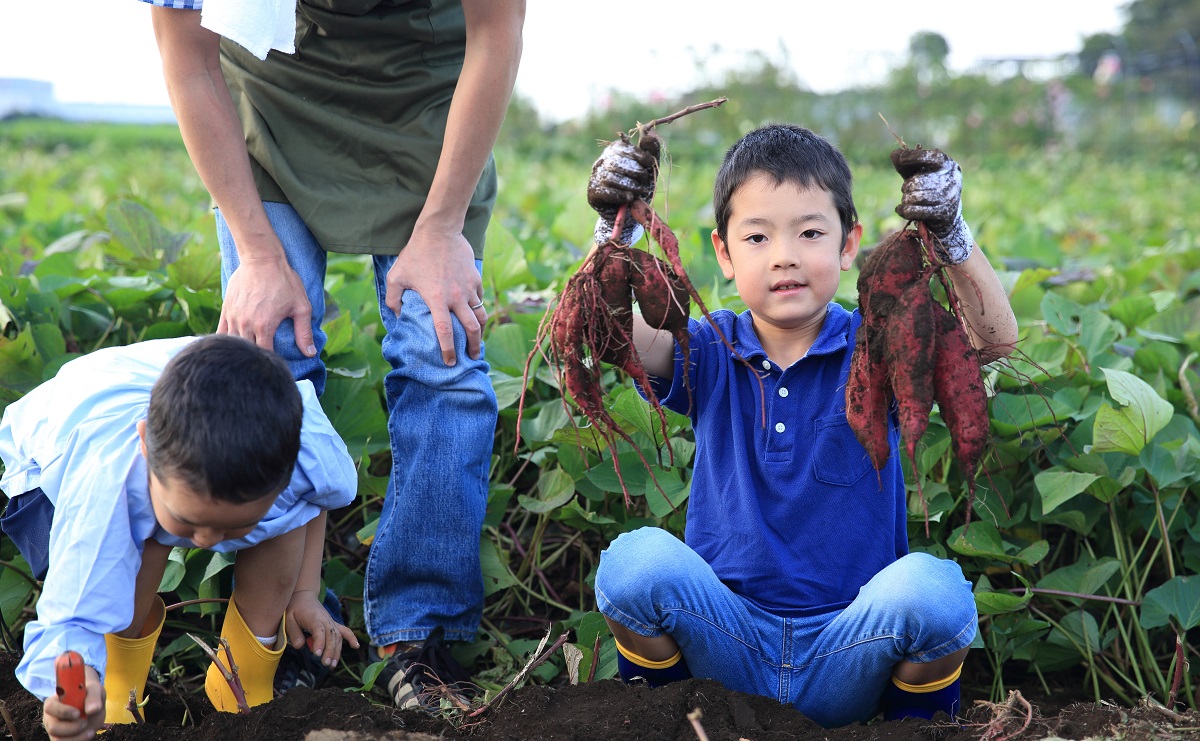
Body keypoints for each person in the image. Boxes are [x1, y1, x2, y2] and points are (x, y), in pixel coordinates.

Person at [141, 0, 525, 706]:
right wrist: (256, 252)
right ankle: (283, 616)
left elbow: (496, 33)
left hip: (425, 97)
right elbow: (186, 56)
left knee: (442, 359)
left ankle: (418, 633)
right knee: (268, 358)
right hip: (274, 90)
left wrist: (441, 228)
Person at [587, 124, 1019, 728]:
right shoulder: (711, 350)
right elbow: (611, 335)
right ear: (724, 254)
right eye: (757, 237)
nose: (784, 255)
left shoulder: (880, 345)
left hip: (849, 648)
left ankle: (907, 729)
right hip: (726, 643)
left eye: (811, 233)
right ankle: (671, 719)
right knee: (634, 565)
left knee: (937, 591)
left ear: (849, 246)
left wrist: (950, 233)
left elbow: (992, 340)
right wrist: (616, 229)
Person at [0, 334, 359, 741]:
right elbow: (73, 613)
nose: (207, 541)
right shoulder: (105, 490)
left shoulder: (306, 448)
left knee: (278, 523)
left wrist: (303, 594)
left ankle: (239, 684)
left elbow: (309, 504)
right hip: (55, 450)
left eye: (230, 526)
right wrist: (73, 692)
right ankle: (121, 690)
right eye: (191, 521)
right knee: (141, 546)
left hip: (193, 408)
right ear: (147, 450)